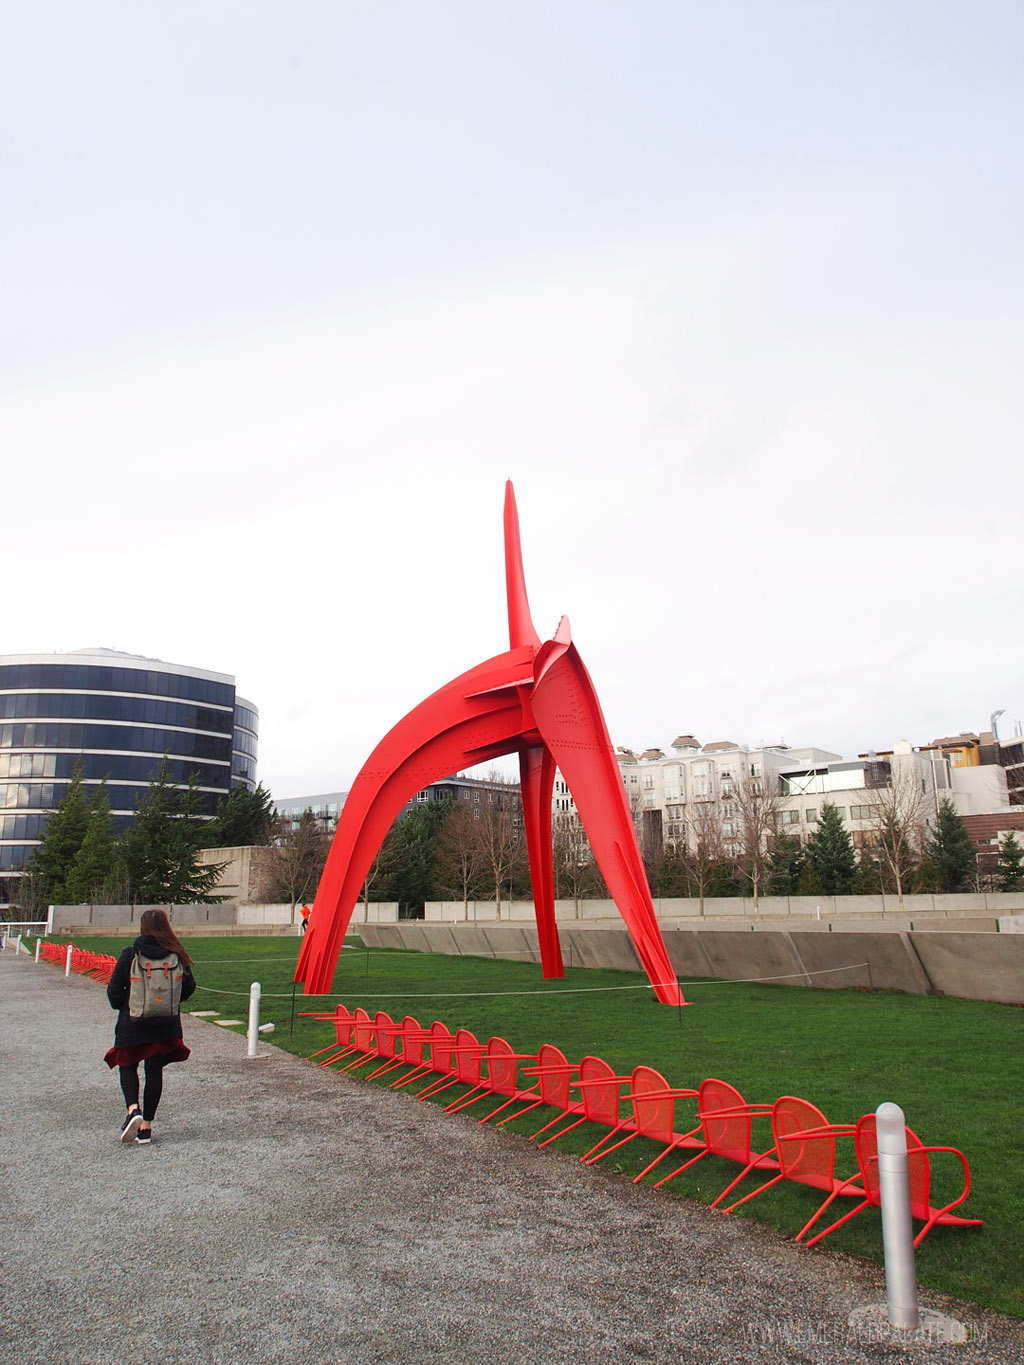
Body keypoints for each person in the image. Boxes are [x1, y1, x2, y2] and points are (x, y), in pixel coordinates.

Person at [104, 908, 196, 1145]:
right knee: (154, 1071)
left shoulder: (130, 955)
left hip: (133, 1020)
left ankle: (133, 1109)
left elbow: (114, 992)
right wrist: (167, 1001)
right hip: (164, 1023)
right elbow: (189, 987)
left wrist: (125, 1004)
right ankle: (146, 1127)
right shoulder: (176, 954)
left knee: (127, 1064)